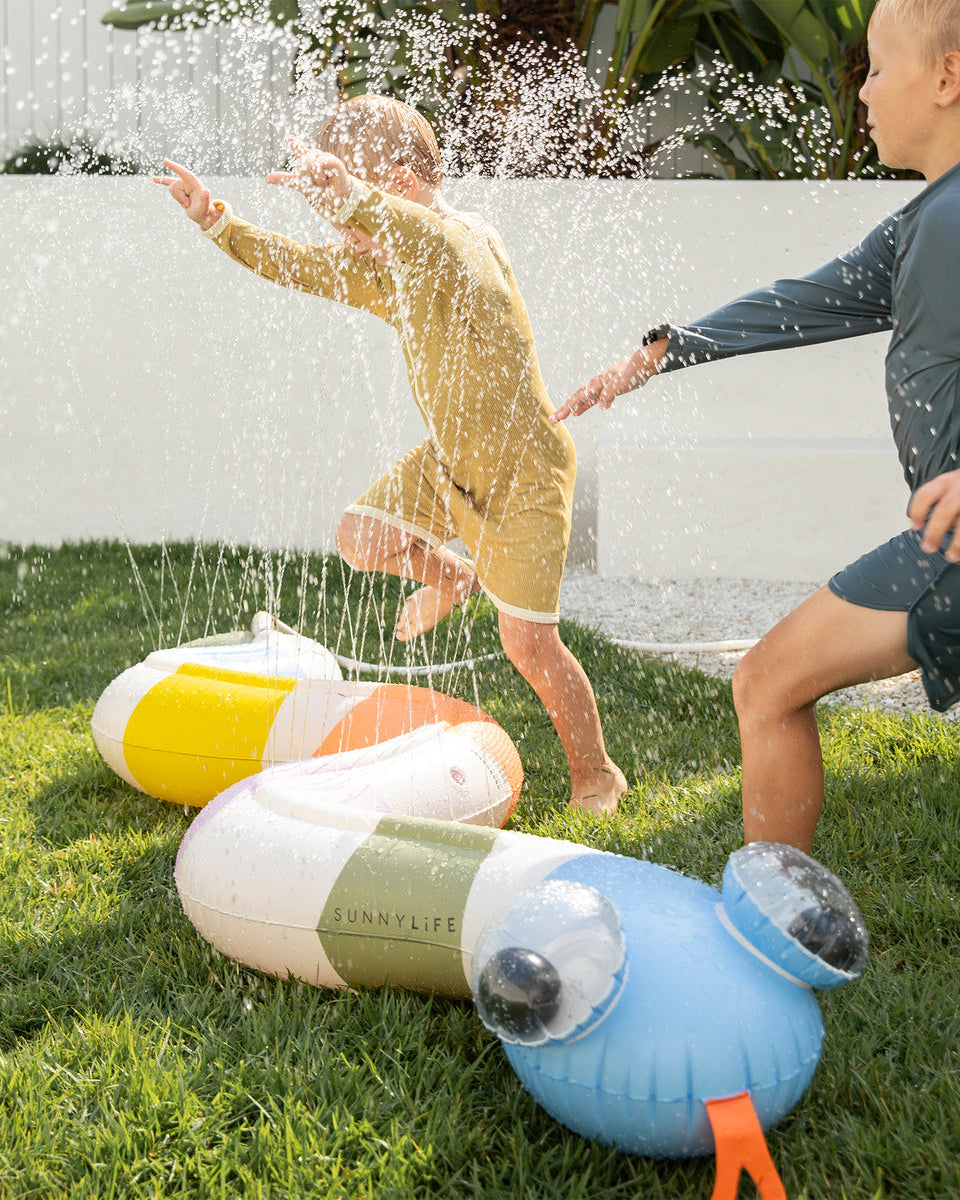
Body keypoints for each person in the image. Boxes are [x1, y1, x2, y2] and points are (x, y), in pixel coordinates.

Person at [551, 0, 960, 850]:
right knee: (769, 682)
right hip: (942, 546)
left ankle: (773, 932)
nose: (864, 94)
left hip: (950, 547)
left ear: (948, 78)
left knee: (768, 682)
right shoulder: (929, 219)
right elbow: (806, 301)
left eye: (880, 67)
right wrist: (670, 350)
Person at [154, 94, 627, 814]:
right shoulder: (389, 272)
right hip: (449, 465)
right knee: (360, 535)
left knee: (529, 647)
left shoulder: (466, 240)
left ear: (400, 185)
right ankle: (453, 577)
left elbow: (432, 240)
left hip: (525, 470)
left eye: (344, 210)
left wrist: (352, 198)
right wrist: (216, 221)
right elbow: (299, 267)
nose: (338, 230)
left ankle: (596, 774)